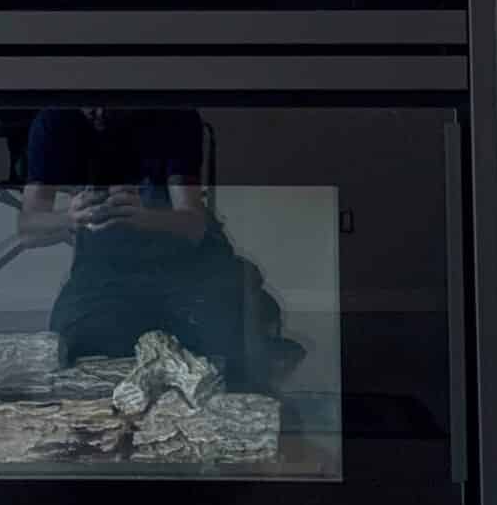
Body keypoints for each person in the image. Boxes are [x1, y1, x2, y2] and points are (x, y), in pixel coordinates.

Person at [18, 105, 300, 389]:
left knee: (228, 350)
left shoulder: (172, 115)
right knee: (77, 349)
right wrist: (71, 217)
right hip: (104, 271)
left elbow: (193, 224)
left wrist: (144, 217)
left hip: (186, 265)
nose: (99, 113)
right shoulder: (55, 121)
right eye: (90, 106)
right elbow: (28, 230)